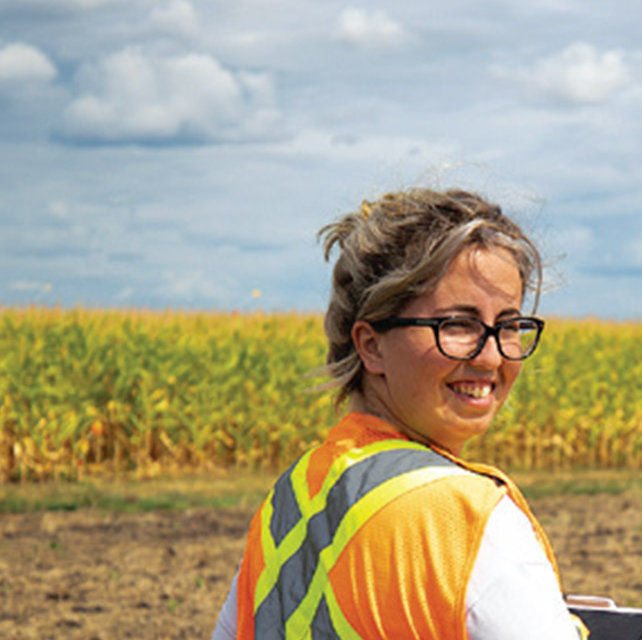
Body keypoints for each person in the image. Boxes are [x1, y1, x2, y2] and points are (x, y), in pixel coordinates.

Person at [212, 188, 583, 640]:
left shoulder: (292, 500)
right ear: (372, 345)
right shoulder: (471, 522)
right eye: (457, 325)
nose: (491, 358)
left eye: (508, 326)